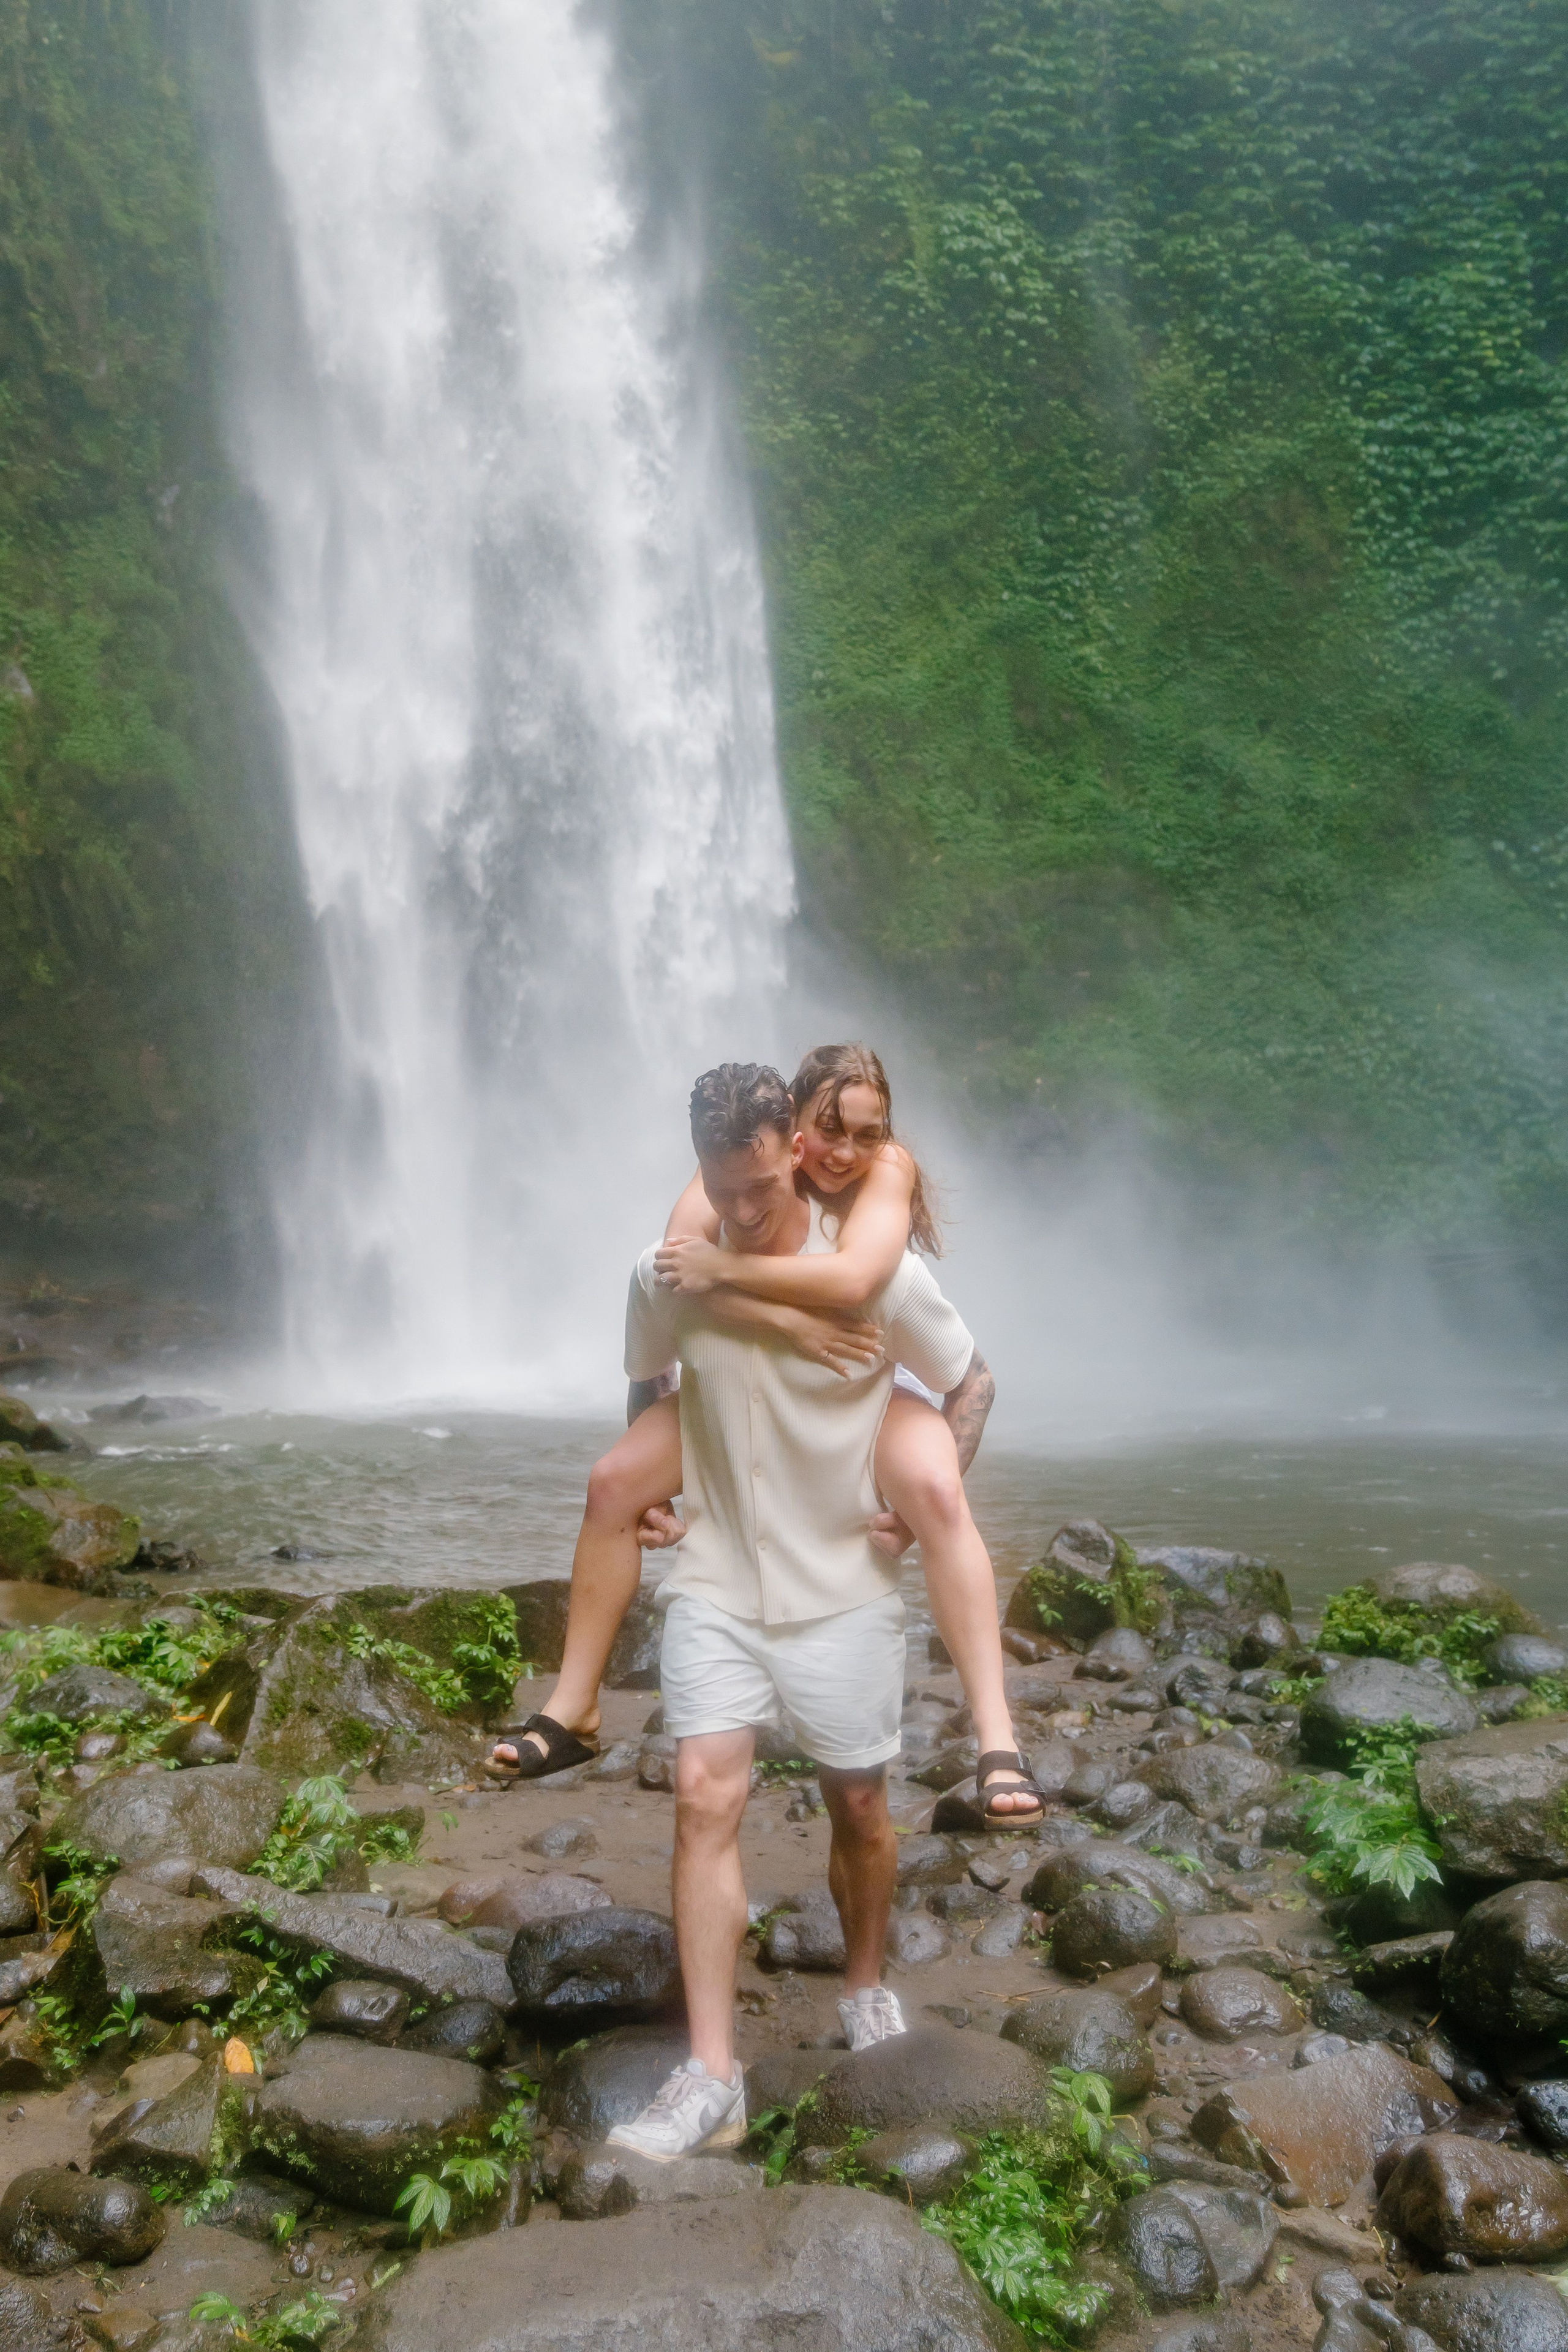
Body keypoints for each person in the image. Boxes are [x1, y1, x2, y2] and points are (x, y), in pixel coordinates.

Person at [596, 1063, 993, 2160]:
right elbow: (648, 1376)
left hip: (840, 1586)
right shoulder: (670, 1269)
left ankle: (864, 1986)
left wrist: (927, 1497)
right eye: (721, 1189)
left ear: (800, 1157)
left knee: (859, 1804)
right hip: (718, 1578)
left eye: (761, 1186)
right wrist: (652, 1484)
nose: (739, 1209)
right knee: (701, 1797)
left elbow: (968, 1378)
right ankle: (711, 2072)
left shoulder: (872, 1275)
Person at [488, 1043, 1042, 1823]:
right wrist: (778, 1329)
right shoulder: (738, 1163)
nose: (845, 1153)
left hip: (863, 1382)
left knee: (935, 1491)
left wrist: (909, 1512)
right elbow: (676, 1279)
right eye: (830, 1131)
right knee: (614, 1482)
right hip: (741, 1380)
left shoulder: (885, 1172)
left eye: (868, 1134)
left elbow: (863, 1290)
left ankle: (997, 1737)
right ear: (799, 1131)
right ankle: (573, 1705)